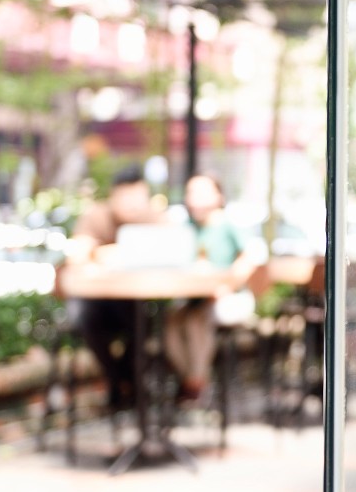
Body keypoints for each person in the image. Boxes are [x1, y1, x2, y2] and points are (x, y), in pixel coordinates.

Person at [62, 164, 164, 409]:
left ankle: (125, 383)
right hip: (98, 301)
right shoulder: (97, 215)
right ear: (114, 195)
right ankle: (119, 379)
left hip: (137, 301)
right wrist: (102, 253)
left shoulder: (156, 218)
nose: (132, 204)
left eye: (137, 196)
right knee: (81, 315)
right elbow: (76, 254)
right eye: (126, 196)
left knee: (146, 322)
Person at [164, 173, 255, 403]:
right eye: (191, 193)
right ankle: (191, 381)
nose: (195, 199)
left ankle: (195, 384)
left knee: (196, 322)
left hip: (229, 298)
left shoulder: (228, 224)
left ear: (218, 196)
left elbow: (249, 259)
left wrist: (229, 284)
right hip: (198, 296)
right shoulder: (188, 228)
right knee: (172, 323)